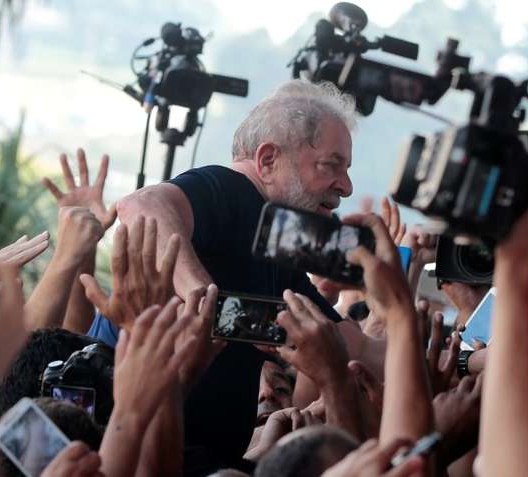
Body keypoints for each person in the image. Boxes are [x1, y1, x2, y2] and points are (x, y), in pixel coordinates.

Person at [113, 79, 358, 470]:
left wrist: (473, 359)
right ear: (267, 161)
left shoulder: (277, 257)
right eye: (332, 165)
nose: (345, 187)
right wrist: (205, 301)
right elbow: (140, 206)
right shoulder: (234, 191)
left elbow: (354, 348)